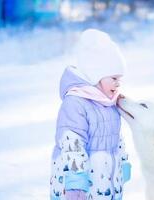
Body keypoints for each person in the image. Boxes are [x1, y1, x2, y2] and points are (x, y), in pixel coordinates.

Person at [50, 29, 131, 200]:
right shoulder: (75, 103)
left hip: (107, 184)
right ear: (97, 75)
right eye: (114, 78)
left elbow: (116, 137)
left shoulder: (109, 103)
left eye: (120, 79)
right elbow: (72, 143)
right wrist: (76, 181)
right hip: (81, 188)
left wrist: (122, 162)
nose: (118, 84)